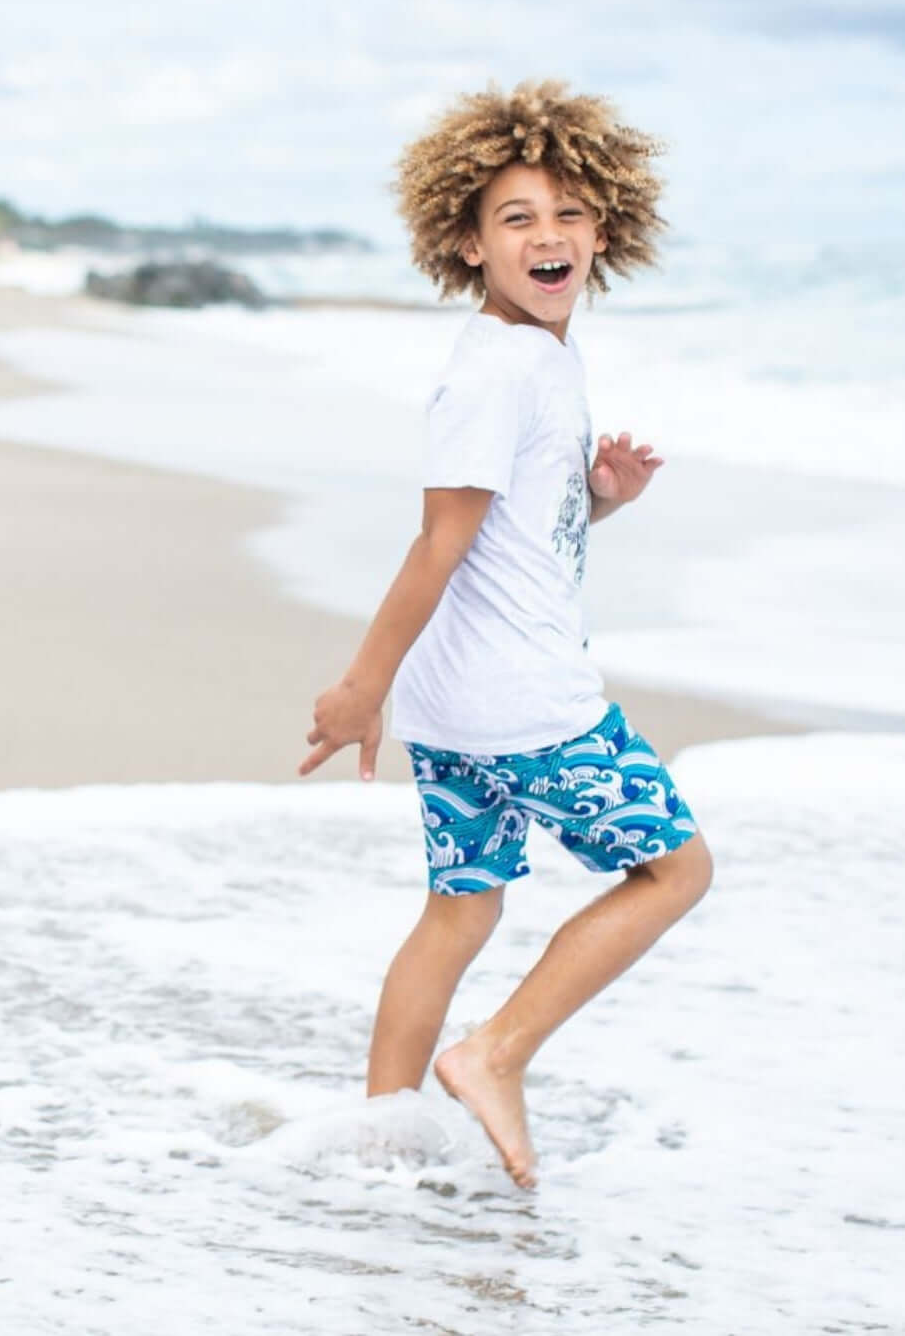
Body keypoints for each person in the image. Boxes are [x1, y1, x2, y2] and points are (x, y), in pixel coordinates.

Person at [298, 79, 713, 1188]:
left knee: (461, 907)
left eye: (570, 213)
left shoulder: (536, 358)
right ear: (468, 244)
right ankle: (495, 1056)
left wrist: (599, 497)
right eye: (517, 217)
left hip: (460, 701)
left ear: (605, 230)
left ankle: (384, 1138)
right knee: (676, 872)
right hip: (527, 703)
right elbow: (438, 543)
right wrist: (357, 687)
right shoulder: (496, 371)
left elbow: (511, 538)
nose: (549, 235)